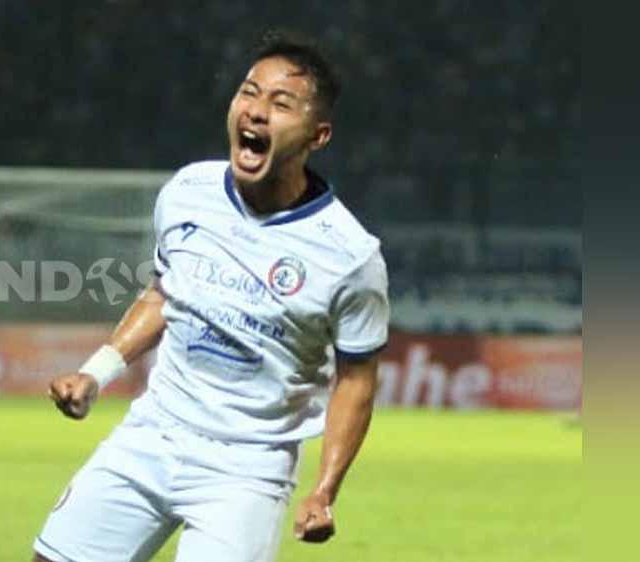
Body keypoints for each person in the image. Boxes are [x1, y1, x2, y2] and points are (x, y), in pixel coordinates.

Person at [33, 29, 390, 562]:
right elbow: (163, 296)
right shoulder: (187, 192)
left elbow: (357, 378)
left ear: (318, 136)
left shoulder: (350, 256)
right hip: (153, 432)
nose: (257, 111)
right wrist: (96, 373)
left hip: (247, 469)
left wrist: (324, 489)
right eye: (249, 92)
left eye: (281, 102)